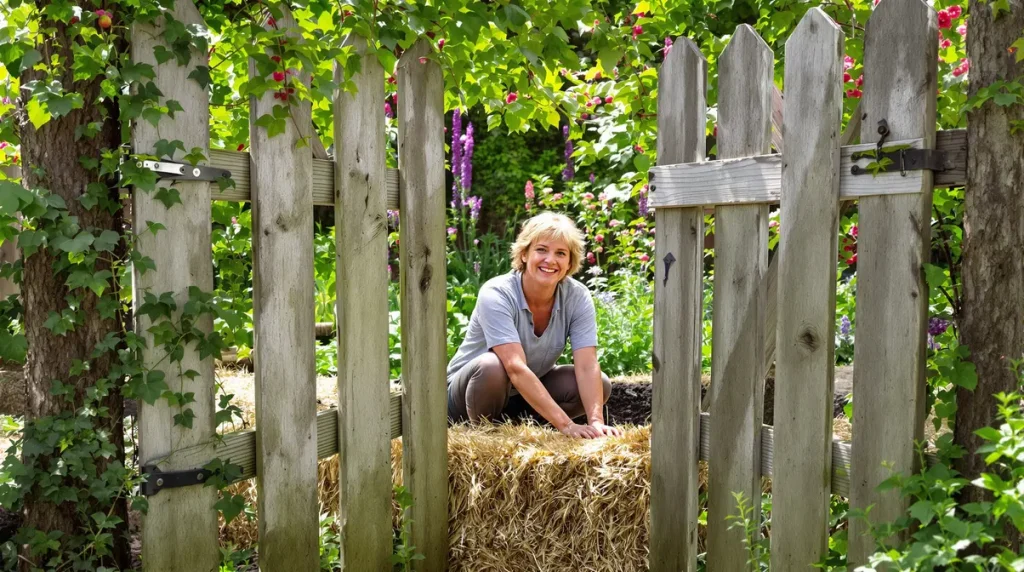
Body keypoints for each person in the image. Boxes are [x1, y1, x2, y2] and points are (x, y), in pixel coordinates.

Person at [446, 211, 621, 439]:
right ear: (525, 254)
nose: (550, 260)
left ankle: (521, 430)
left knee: (602, 383)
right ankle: (486, 436)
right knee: (492, 366)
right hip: (464, 399)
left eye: (560, 253)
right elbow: (515, 367)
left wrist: (596, 422)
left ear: (569, 262)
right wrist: (567, 425)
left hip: (518, 398)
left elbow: (587, 365)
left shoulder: (577, 296)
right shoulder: (497, 292)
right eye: (541, 250)